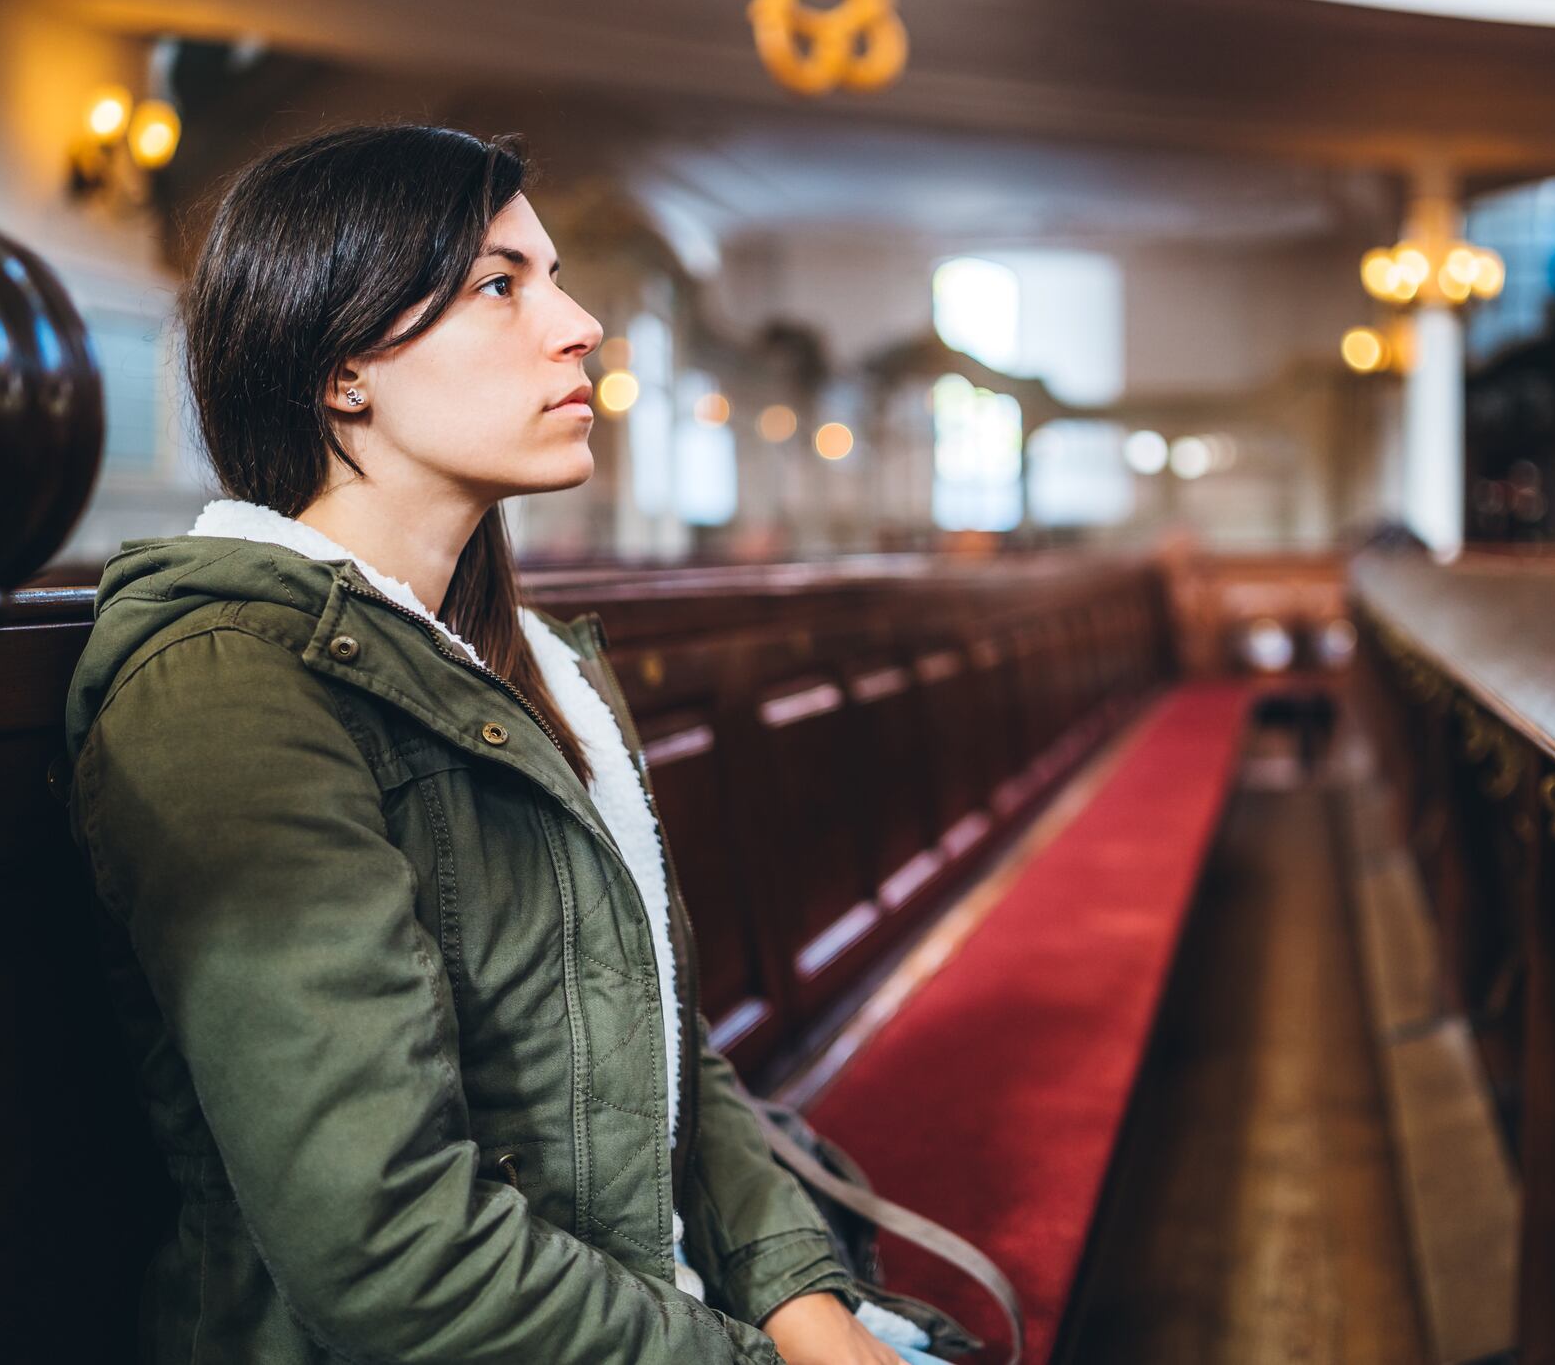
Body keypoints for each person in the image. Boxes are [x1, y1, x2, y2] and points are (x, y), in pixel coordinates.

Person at [61, 123, 968, 1365]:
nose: (581, 322)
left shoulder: (538, 663)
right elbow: (392, 1252)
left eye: (552, 274)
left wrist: (812, 1310)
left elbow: (669, 1052)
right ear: (341, 370)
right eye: (502, 283)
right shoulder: (227, 688)